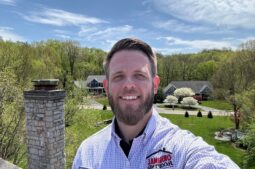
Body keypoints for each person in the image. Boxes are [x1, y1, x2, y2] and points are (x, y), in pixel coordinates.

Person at [72, 38, 239, 169]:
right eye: (118, 76)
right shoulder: (87, 153)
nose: (129, 85)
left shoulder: (183, 149)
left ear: (155, 85)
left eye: (139, 75)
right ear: (107, 87)